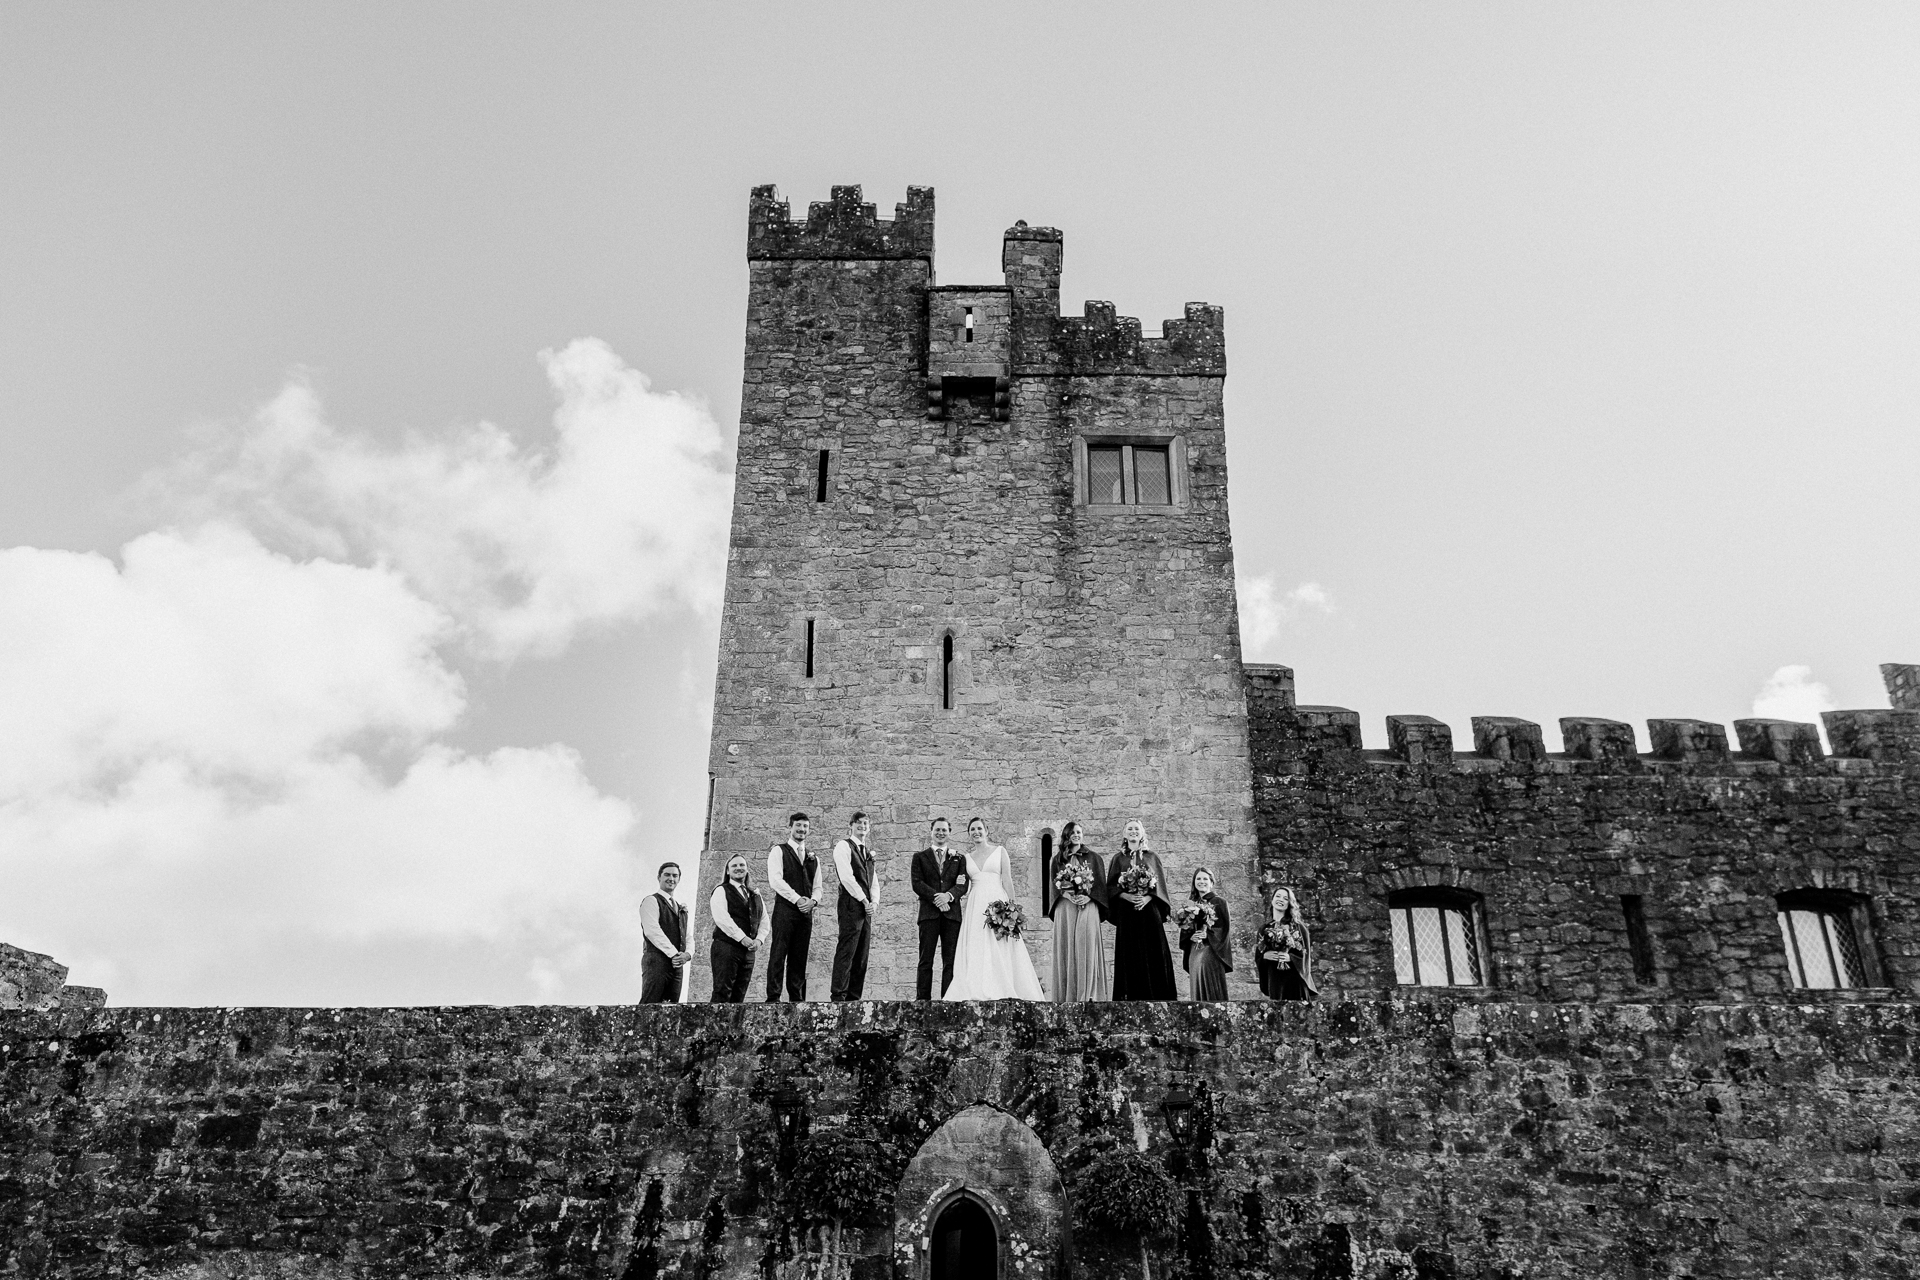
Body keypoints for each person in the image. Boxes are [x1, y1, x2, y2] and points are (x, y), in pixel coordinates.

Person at [944, 817, 1046, 1001]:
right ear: (969, 834)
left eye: (979, 828)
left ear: (986, 831)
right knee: (978, 943)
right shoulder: (966, 858)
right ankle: (977, 985)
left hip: (997, 900)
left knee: (1000, 943)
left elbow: (1007, 879)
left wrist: (1012, 908)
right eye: (972, 829)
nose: (976, 832)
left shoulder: (1000, 851)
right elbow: (963, 883)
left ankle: (1002, 984)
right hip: (976, 904)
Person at [1106, 820, 1177, 1001]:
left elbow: (1160, 886)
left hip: (1148, 910)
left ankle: (1159, 996)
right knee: (1129, 953)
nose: (1133, 831)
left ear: (1142, 833)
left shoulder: (1152, 857)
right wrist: (1126, 897)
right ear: (1124, 833)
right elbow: (1112, 887)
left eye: (1136, 829)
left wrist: (1146, 898)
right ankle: (1130, 997)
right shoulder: (1118, 859)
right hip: (1127, 913)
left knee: (1154, 950)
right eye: (1129, 828)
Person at [1044, 820, 1108, 1002]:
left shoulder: (1094, 858)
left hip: (1088, 904)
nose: (1076, 835)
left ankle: (1089, 994)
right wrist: (1067, 895)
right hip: (1066, 906)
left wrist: (1089, 897)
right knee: (1067, 945)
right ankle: (1067, 994)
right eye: (1073, 832)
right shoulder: (1057, 860)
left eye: (1079, 832)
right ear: (1066, 835)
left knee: (1086, 942)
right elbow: (1053, 885)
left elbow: (1100, 885)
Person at [911, 817, 968, 999]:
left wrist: (948, 896)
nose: (941, 833)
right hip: (929, 915)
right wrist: (937, 898)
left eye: (944, 830)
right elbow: (917, 883)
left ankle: (948, 1000)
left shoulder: (959, 858)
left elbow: (962, 885)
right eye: (937, 830)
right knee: (925, 960)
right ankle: (922, 1001)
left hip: (952, 916)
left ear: (949, 833)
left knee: (950, 961)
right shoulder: (920, 857)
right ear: (931, 832)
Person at [765, 813, 819, 1002]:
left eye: (805, 826)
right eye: (798, 825)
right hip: (785, 910)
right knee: (779, 953)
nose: (801, 830)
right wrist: (797, 899)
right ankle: (773, 997)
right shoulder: (778, 851)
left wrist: (813, 901)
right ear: (790, 827)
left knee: (799, 956)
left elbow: (818, 886)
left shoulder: (813, 858)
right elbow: (775, 880)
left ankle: (796, 998)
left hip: (805, 914)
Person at [830, 811, 878, 1001]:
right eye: (858, 823)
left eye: (866, 823)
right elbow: (847, 878)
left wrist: (874, 902)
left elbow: (873, 881)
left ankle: (854, 997)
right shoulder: (844, 846)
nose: (862, 826)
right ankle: (839, 995)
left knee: (862, 954)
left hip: (866, 908)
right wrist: (864, 900)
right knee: (847, 950)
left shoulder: (867, 852)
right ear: (851, 825)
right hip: (851, 904)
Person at [707, 853, 766, 1003]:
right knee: (722, 992)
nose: (738, 868)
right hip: (726, 948)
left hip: (748, 952)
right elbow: (722, 918)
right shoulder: (721, 890)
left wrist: (759, 940)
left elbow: (764, 920)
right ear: (727, 871)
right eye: (734, 865)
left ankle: (732, 1027)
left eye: (742, 865)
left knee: (739, 997)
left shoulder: (755, 895)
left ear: (746, 869)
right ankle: (715, 1026)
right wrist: (742, 938)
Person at [639, 861, 691, 1004]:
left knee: (671, 1009)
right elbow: (652, 931)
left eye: (675, 875)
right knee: (650, 1005)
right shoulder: (651, 901)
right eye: (667, 874)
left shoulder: (681, 908)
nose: (671, 878)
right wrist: (674, 954)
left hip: (677, 966)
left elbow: (688, 936)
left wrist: (687, 955)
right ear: (659, 877)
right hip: (657, 961)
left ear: (679, 879)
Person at [1178, 867, 1233, 1002]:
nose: (1201, 881)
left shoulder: (1219, 902)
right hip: (1194, 951)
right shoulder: (1190, 904)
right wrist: (1190, 937)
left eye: (1205, 879)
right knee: (1196, 985)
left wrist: (1206, 935)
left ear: (1211, 882)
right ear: (1194, 882)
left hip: (1211, 950)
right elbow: (1185, 927)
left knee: (1209, 984)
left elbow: (1223, 928)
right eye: (1198, 879)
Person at [1256, 886, 1319, 1000]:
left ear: (1289, 903)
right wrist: (1265, 956)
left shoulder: (1299, 927)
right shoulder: (1264, 929)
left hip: (1294, 979)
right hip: (1275, 979)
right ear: (1272, 900)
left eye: (1285, 898)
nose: (1281, 899)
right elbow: (1258, 955)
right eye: (1278, 896)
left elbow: (1305, 955)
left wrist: (1290, 957)